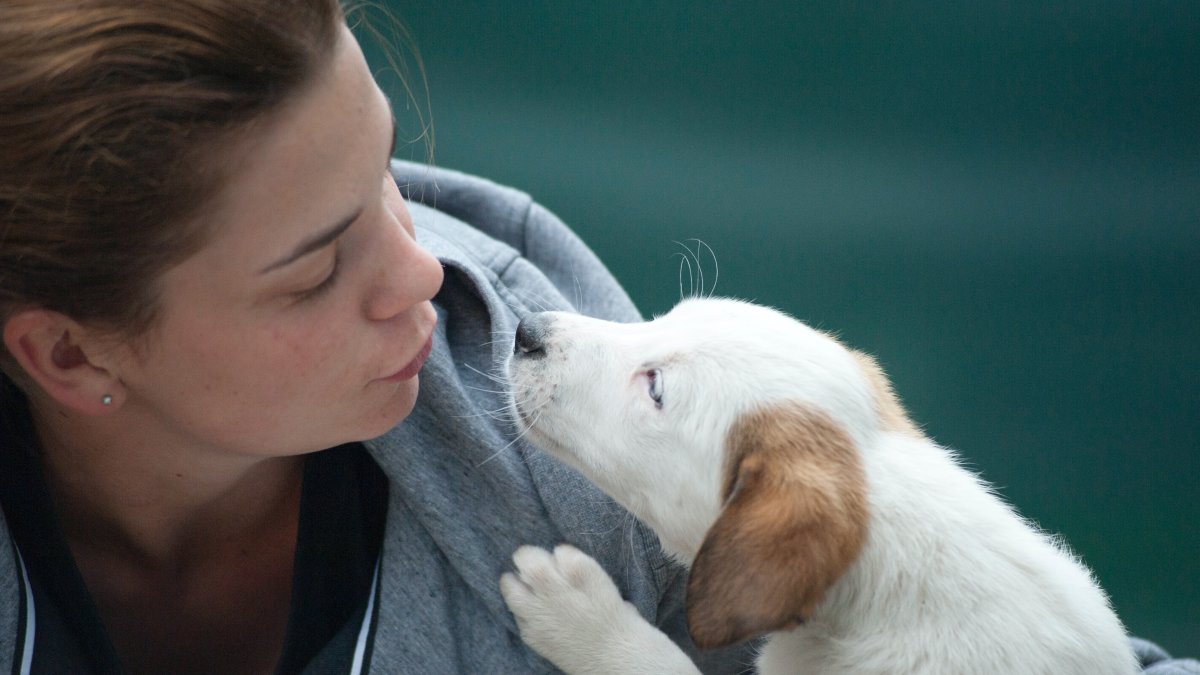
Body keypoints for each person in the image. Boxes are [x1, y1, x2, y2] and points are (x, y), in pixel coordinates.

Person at [0, 2, 1194, 674]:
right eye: (317, 269)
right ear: (68, 355)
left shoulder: (579, 501)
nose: (425, 268)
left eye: (386, 177)